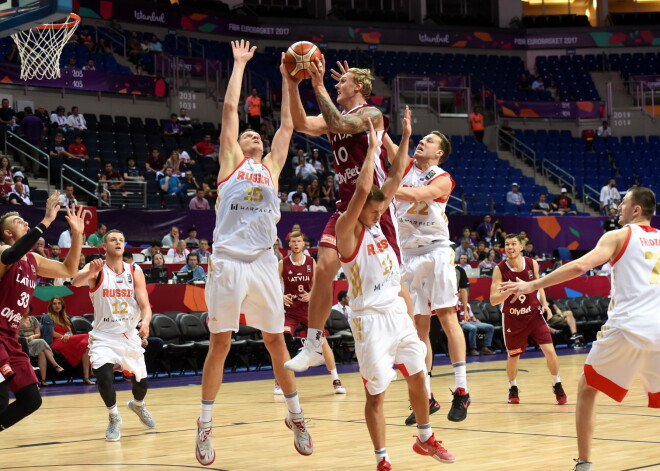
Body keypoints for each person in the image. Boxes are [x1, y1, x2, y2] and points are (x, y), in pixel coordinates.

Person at [195, 40, 312, 465]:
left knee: (277, 343)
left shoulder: (272, 169)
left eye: (254, 134)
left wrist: (286, 79)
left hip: (264, 260)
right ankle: (205, 427)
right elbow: (229, 111)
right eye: (247, 134)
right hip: (227, 261)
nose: (252, 135)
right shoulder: (230, 164)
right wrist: (239, 64)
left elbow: (285, 127)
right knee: (220, 344)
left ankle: (295, 415)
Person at [499, 187, 660, 471]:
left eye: (624, 203)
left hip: (628, 327)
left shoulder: (618, 235)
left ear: (636, 210)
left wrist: (533, 285)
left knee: (587, 389)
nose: (619, 207)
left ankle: (584, 464)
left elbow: (581, 265)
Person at [335, 112, 455, 468]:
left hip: (396, 314)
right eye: (377, 203)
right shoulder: (347, 229)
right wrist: (373, 149)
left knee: (418, 375)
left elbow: (392, 182)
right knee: (377, 394)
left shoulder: (384, 233)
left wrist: (402, 138)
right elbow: (364, 189)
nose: (382, 207)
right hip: (369, 320)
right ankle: (382, 459)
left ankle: (425, 437)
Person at [284, 58, 401, 374]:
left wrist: (318, 84)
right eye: (334, 82)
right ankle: (312, 345)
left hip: (376, 208)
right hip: (347, 206)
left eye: (343, 81)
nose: (337, 84)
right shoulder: (336, 116)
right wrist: (293, 84)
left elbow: (339, 124)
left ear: (358, 87)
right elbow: (302, 123)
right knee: (323, 268)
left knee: (393, 285)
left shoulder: (371, 114)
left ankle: (407, 352)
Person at [0, 194, 84, 431]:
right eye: (19, 221)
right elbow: (10, 255)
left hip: (10, 338)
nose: (25, 223)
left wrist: (77, 234)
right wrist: (46, 220)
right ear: (7, 233)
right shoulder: (2, 252)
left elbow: (69, 269)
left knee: (30, 400)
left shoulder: (33, 259)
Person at [71, 230, 155, 441]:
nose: (117, 243)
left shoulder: (135, 271)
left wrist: (145, 322)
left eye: (121, 240)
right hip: (104, 337)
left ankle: (138, 406)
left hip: (128, 336)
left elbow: (145, 305)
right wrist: (89, 272)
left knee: (141, 384)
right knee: (105, 378)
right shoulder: (96, 269)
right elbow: (75, 282)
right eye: (112, 240)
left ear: (124, 246)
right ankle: (114, 417)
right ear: (104, 246)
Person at [489, 233, 567, 406]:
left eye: (513, 244)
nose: (509, 247)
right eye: (507, 244)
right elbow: (493, 300)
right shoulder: (500, 269)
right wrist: (511, 290)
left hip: (534, 315)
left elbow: (539, 285)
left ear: (521, 247)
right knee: (514, 356)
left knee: (550, 351)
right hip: (513, 318)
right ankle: (513, 387)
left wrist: (545, 304)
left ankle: (557, 384)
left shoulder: (532, 264)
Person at [277, 231, 345, 395]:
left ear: (303, 244)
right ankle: (280, 381)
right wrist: (281, 296)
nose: (296, 244)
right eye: (293, 241)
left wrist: (312, 294)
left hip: (309, 310)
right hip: (291, 310)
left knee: (322, 341)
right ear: (289, 244)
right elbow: (272, 284)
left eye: (299, 241)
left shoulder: (310, 262)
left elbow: (318, 284)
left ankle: (336, 380)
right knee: (283, 339)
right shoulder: (282, 263)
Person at [48, 297, 93, 384]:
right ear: (51, 306)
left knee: (86, 346)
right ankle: (91, 371)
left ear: (62, 306)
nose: (57, 306)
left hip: (66, 341)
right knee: (87, 337)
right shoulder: (48, 318)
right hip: (56, 342)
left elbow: (70, 333)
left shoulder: (65, 318)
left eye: (59, 303)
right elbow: (51, 333)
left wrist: (67, 335)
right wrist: (63, 336)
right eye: (54, 304)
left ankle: (86, 377)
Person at [455, 265, 496, 356]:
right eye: (461, 292)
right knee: (473, 328)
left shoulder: (467, 305)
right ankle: (472, 349)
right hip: (462, 323)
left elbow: (471, 315)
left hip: (471, 322)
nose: (463, 294)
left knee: (490, 327)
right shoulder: (454, 303)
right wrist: (461, 323)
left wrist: (475, 319)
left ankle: (485, 347)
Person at [19, 312, 65, 386]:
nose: (25, 310)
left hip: (34, 341)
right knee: (41, 341)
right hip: (23, 343)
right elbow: (15, 336)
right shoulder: (16, 321)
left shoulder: (33, 319)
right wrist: (26, 338)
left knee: (42, 353)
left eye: (27, 308)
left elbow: (38, 334)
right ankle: (55, 364)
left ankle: (43, 380)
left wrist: (33, 337)